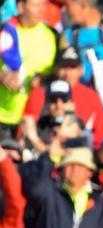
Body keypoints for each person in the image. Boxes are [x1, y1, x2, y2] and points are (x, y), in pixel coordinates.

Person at [0, 0, 57, 137]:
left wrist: (40, 80)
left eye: (43, 5)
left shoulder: (51, 36)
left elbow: (52, 73)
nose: (41, 10)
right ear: (21, 6)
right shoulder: (5, 30)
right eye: (36, 5)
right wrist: (2, 76)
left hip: (28, 118)